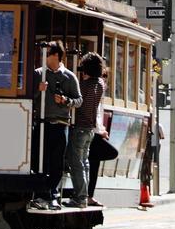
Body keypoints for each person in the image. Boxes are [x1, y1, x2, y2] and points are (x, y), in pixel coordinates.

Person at [32, 40, 82, 210]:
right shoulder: (38, 74)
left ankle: (53, 196)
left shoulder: (68, 76)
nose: (44, 57)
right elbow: (28, 98)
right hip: (42, 123)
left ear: (55, 56)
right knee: (40, 160)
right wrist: (38, 90)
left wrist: (65, 100)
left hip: (61, 125)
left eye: (48, 54)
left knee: (56, 162)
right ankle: (40, 195)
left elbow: (78, 100)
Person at [64, 52, 105, 208]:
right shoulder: (100, 84)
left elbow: (78, 102)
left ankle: (79, 197)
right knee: (85, 162)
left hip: (80, 127)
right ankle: (85, 195)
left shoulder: (85, 85)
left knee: (76, 162)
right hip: (90, 129)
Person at [87, 60, 119, 205]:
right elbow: (92, 113)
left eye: (105, 78)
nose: (104, 81)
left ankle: (88, 194)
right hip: (90, 132)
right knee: (109, 153)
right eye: (103, 77)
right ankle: (86, 194)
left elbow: (97, 115)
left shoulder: (97, 91)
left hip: (95, 132)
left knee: (94, 161)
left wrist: (102, 130)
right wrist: (100, 131)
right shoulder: (93, 90)